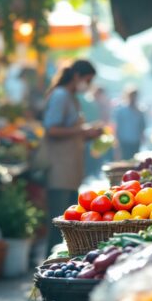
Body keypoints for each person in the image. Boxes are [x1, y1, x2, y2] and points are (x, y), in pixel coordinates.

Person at [42, 60, 103, 254]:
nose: (89, 84)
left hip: (70, 169)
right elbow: (52, 129)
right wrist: (81, 130)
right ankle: (49, 266)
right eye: (88, 79)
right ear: (76, 76)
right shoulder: (61, 96)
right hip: (60, 169)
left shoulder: (71, 97)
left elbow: (70, 131)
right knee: (58, 222)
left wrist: (88, 134)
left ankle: (61, 260)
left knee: (68, 220)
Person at [114, 86, 145, 160]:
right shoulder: (121, 111)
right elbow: (117, 126)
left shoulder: (140, 111)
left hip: (135, 140)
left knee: (134, 159)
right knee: (125, 159)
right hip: (124, 140)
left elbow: (142, 125)